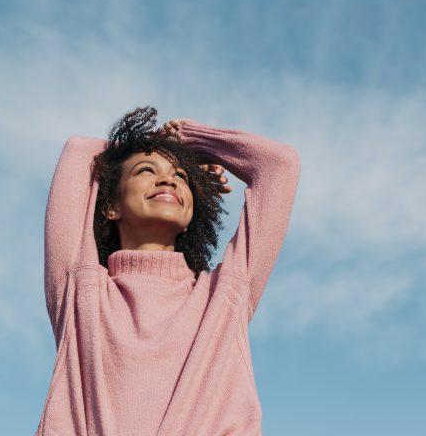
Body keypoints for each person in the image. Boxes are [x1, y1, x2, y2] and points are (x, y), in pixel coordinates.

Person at [36, 106, 301, 435]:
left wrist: (191, 140)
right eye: (146, 170)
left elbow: (279, 164)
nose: (167, 179)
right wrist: (156, 144)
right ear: (110, 205)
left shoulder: (224, 296)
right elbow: (79, 151)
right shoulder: (79, 288)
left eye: (181, 176)